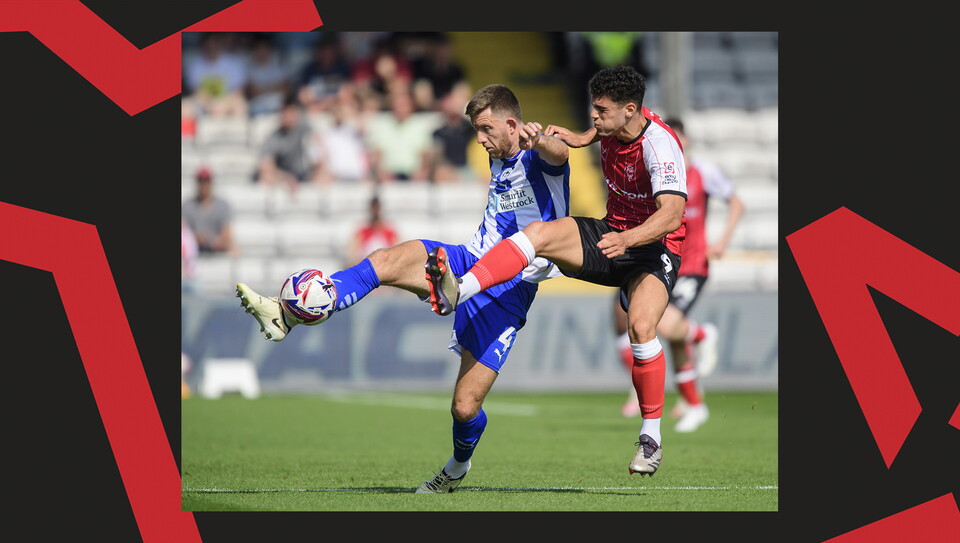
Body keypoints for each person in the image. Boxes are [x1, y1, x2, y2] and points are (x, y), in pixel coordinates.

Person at [235, 83, 570, 493]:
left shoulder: (539, 156)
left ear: (513, 124)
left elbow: (562, 155)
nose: (479, 139)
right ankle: (286, 313)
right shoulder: (499, 157)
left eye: (485, 129)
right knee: (385, 260)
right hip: (469, 259)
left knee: (464, 408)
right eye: (475, 130)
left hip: (508, 287)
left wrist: (543, 141)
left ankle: (457, 467)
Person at [425, 65, 686, 477]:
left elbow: (672, 215)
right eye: (592, 108)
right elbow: (592, 134)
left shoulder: (660, 146)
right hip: (612, 233)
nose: (594, 116)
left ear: (631, 109)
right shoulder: (614, 125)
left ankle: (650, 438)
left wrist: (629, 240)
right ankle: (461, 287)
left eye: (600, 110)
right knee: (539, 234)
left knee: (640, 326)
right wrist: (579, 137)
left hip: (653, 248)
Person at [614, 117, 745, 431]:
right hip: (663, 263)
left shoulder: (703, 172)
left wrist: (722, 241)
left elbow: (736, 202)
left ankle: (702, 334)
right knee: (671, 339)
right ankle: (696, 405)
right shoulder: (655, 172)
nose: (677, 144)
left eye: (680, 138)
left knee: (668, 324)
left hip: (693, 266)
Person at [365, 90, 434, 182]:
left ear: (411, 106)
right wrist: (381, 173)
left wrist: (422, 172)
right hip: (388, 175)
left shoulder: (419, 125)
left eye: (404, 105)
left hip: (413, 175)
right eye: (398, 104)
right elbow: (377, 153)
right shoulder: (382, 124)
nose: (401, 108)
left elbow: (425, 153)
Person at [256, 97, 316, 193]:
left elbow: (320, 151)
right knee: (267, 176)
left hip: (304, 176)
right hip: (283, 177)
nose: (288, 116)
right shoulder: (274, 137)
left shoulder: (306, 129)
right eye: (285, 112)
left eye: (292, 112)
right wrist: (286, 178)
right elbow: (265, 165)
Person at [181, 167, 237, 256]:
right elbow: (183, 231)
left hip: (218, 252)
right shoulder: (187, 206)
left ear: (211, 183)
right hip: (193, 253)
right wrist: (197, 239)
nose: (204, 185)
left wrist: (215, 242)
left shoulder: (222, 206)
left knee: (235, 250)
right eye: (201, 181)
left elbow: (227, 233)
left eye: (206, 181)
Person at [345, 195, 399, 267]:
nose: (375, 212)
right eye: (374, 208)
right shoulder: (362, 233)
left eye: (377, 208)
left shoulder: (390, 233)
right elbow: (352, 256)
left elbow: (396, 255)